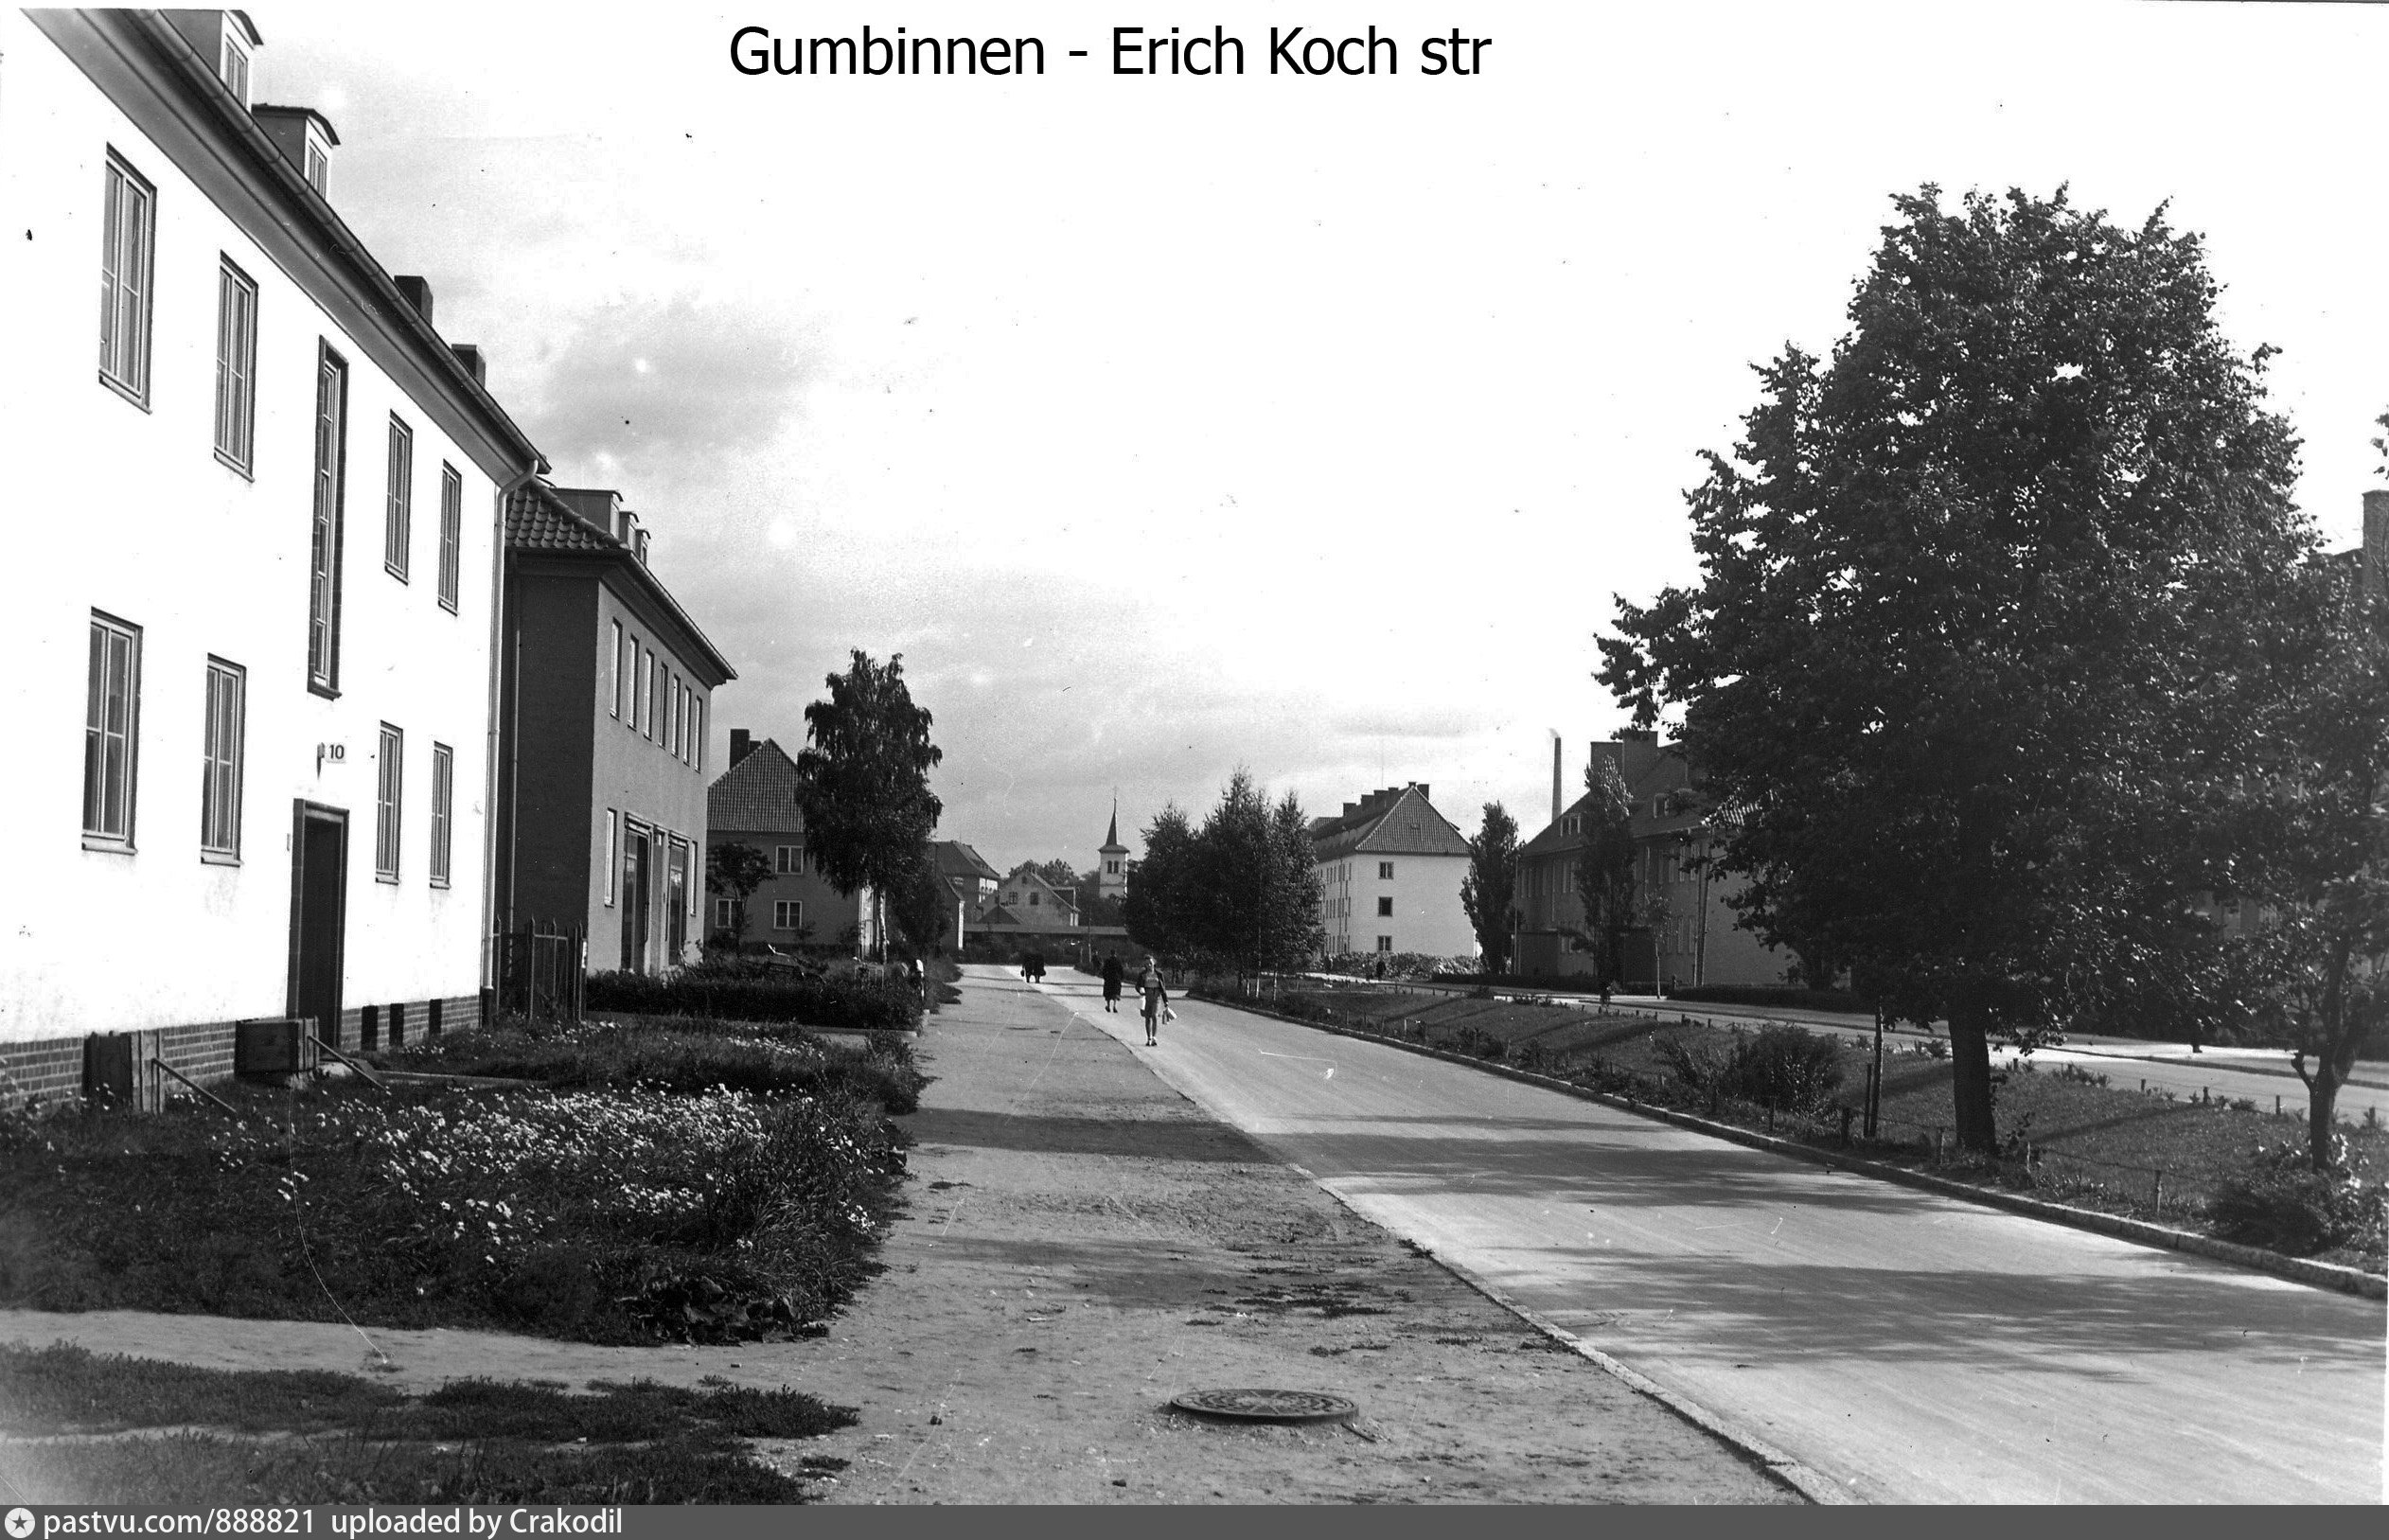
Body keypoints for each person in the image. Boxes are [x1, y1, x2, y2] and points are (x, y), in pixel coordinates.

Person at [1137, 956, 1168, 1047]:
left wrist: (1166, 1000)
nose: (1149, 965)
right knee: (1147, 1017)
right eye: (1147, 964)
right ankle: (1149, 1037)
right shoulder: (1143, 974)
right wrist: (1140, 989)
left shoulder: (1159, 974)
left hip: (1156, 997)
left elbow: (1163, 988)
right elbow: (1137, 985)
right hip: (1146, 997)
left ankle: (1154, 1037)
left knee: (1154, 1016)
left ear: (1154, 962)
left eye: (1150, 963)